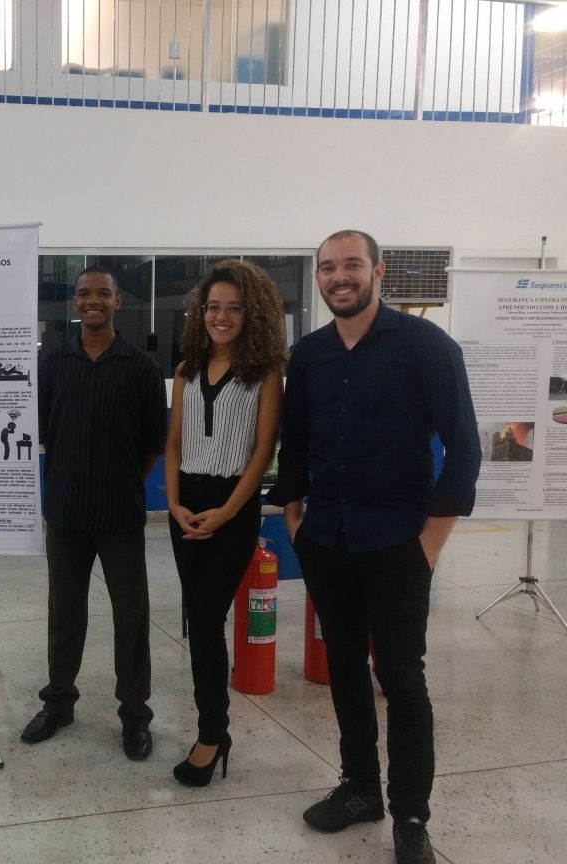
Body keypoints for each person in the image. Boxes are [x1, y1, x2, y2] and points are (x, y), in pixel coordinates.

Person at [268, 231, 480, 864]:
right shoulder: (309, 354)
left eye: (352, 265)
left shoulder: (426, 346)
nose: (340, 276)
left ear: (378, 271)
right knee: (343, 667)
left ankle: (411, 815)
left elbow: (464, 449)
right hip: (326, 538)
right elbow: (295, 442)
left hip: (397, 543)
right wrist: (294, 515)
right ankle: (360, 787)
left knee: (401, 677)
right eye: (328, 267)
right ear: (319, 278)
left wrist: (430, 544)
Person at [20, 265, 167, 760]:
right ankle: (58, 703)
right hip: (65, 513)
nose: (93, 301)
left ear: (117, 301)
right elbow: (42, 431)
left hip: (120, 513)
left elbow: (152, 442)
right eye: (84, 294)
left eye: (103, 293)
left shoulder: (141, 367)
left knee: (131, 617)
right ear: (75, 303)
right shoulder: (53, 364)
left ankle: (135, 715)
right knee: (64, 614)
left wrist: (120, 480)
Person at [164, 260, 286, 787]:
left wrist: (229, 511)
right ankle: (213, 728)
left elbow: (263, 451)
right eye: (213, 306)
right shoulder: (187, 370)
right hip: (186, 505)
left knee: (207, 616)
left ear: (252, 314)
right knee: (199, 619)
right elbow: (174, 443)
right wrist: (173, 505)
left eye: (234, 308)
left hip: (232, 506)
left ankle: (212, 734)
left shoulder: (265, 373)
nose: (221, 316)